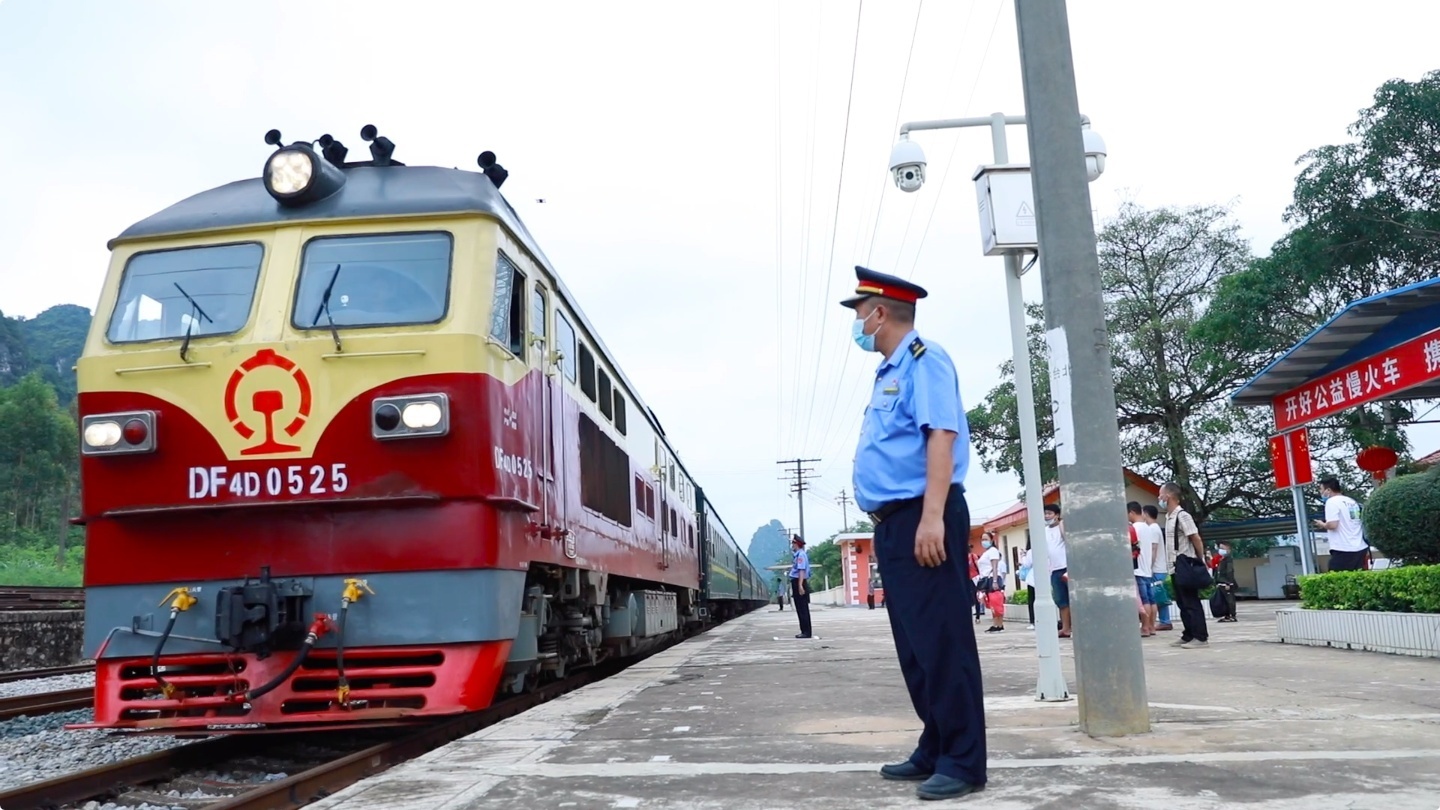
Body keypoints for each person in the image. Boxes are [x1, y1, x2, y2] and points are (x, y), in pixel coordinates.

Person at [843, 265, 986, 800]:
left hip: (924, 516)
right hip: (893, 524)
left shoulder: (926, 360)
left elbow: (941, 437)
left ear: (880, 313)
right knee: (916, 645)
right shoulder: (888, 372)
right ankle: (936, 744)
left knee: (944, 641)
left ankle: (965, 761)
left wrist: (932, 517)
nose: (857, 322)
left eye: (859, 312)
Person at [1161, 482, 1209, 648]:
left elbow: (1195, 537)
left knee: (1191, 602)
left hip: (1185, 564)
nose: (1159, 498)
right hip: (1175, 566)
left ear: (1168, 496)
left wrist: (1199, 559)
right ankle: (1188, 634)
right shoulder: (1169, 517)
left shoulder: (1182, 516)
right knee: (1182, 603)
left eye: (1161, 494)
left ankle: (1200, 637)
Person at [1313, 478, 1368, 571]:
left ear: (1328, 490)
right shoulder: (1351, 501)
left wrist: (1322, 524)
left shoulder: (1331, 502)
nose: (1320, 492)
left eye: (1321, 489)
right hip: (1360, 547)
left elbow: (1333, 525)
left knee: (1335, 580)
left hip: (1343, 548)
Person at [1128, 502, 1159, 637]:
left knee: (1143, 600)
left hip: (1138, 569)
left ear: (1131, 513)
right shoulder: (1148, 528)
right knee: (1151, 600)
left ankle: (1145, 627)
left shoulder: (1134, 528)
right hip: (1147, 568)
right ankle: (1152, 626)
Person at [1144, 505, 1173, 631]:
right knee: (1160, 595)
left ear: (1146, 514)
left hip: (1156, 568)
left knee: (1158, 596)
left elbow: (1153, 549)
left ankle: (1164, 621)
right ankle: (1164, 620)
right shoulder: (1156, 528)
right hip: (1160, 567)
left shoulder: (1152, 529)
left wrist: (1149, 567)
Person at [1044, 503, 1071, 638]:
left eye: (1050, 513)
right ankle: (1065, 628)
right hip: (1054, 569)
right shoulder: (1044, 531)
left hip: (1067, 567)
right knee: (1061, 600)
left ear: (1057, 515)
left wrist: (1062, 524)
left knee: (1073, 599)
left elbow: (1068, 539)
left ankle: (1074, 627)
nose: (1047, 516)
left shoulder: (1062, 526)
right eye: (1046, 513)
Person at [979, 534, 1005, 633]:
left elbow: (995, 566)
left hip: (992, 578)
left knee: (996, 601)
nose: (983, 541)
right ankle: (995, 624)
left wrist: (994, 581)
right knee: (992, 603)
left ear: (991, 540)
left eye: (986, 539)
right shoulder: (987, 552)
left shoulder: (993, 551)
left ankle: (999, 624)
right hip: (986, 579)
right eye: (982, 539)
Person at [788, 535, 812, 638]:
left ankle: (806, 632)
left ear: (797, 544)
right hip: (799, 581)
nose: (792, 545)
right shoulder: (799, 555)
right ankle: (804, 631)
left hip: (799, 581)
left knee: (802, 608)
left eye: (793, 544)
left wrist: (800, 585)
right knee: (801, 608)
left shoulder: (801, 555)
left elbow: (801, 571)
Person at [1214, 540, 1238, 622]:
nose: (1220, 550)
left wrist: (1229, 583)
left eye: (1222, 548)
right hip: (1221, 583)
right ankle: (1227, 615)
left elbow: (1229, 571)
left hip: (1226, 583)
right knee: (1224, 600)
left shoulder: (1228, 559)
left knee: (1229, 600)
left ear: (1228, 549)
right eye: (1220, 548)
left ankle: (1232, 615)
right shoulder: (1222, 559)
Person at [1019, 544, 1036, 629]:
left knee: (1032, 601)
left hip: (1032, 580)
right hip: (1044, 578)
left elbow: (1026, 564)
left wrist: (1023, 556)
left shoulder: (1031, 551)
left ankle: (1033, 622)